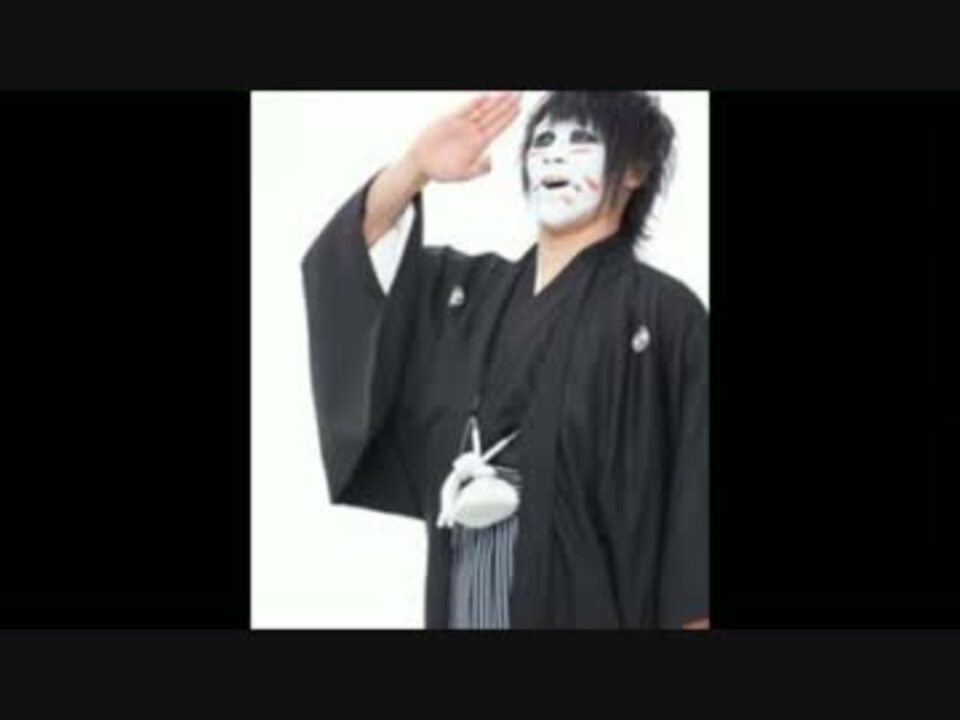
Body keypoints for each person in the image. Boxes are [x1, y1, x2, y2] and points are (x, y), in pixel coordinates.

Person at [301, 91, 709, 629]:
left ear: (634, 170)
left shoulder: (664, 315)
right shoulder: (471, 294)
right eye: (544, 140)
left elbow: (696, 514)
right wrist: (413, 168)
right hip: (467, 598)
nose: (555, 154)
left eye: (582, 140)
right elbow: (352, 264)